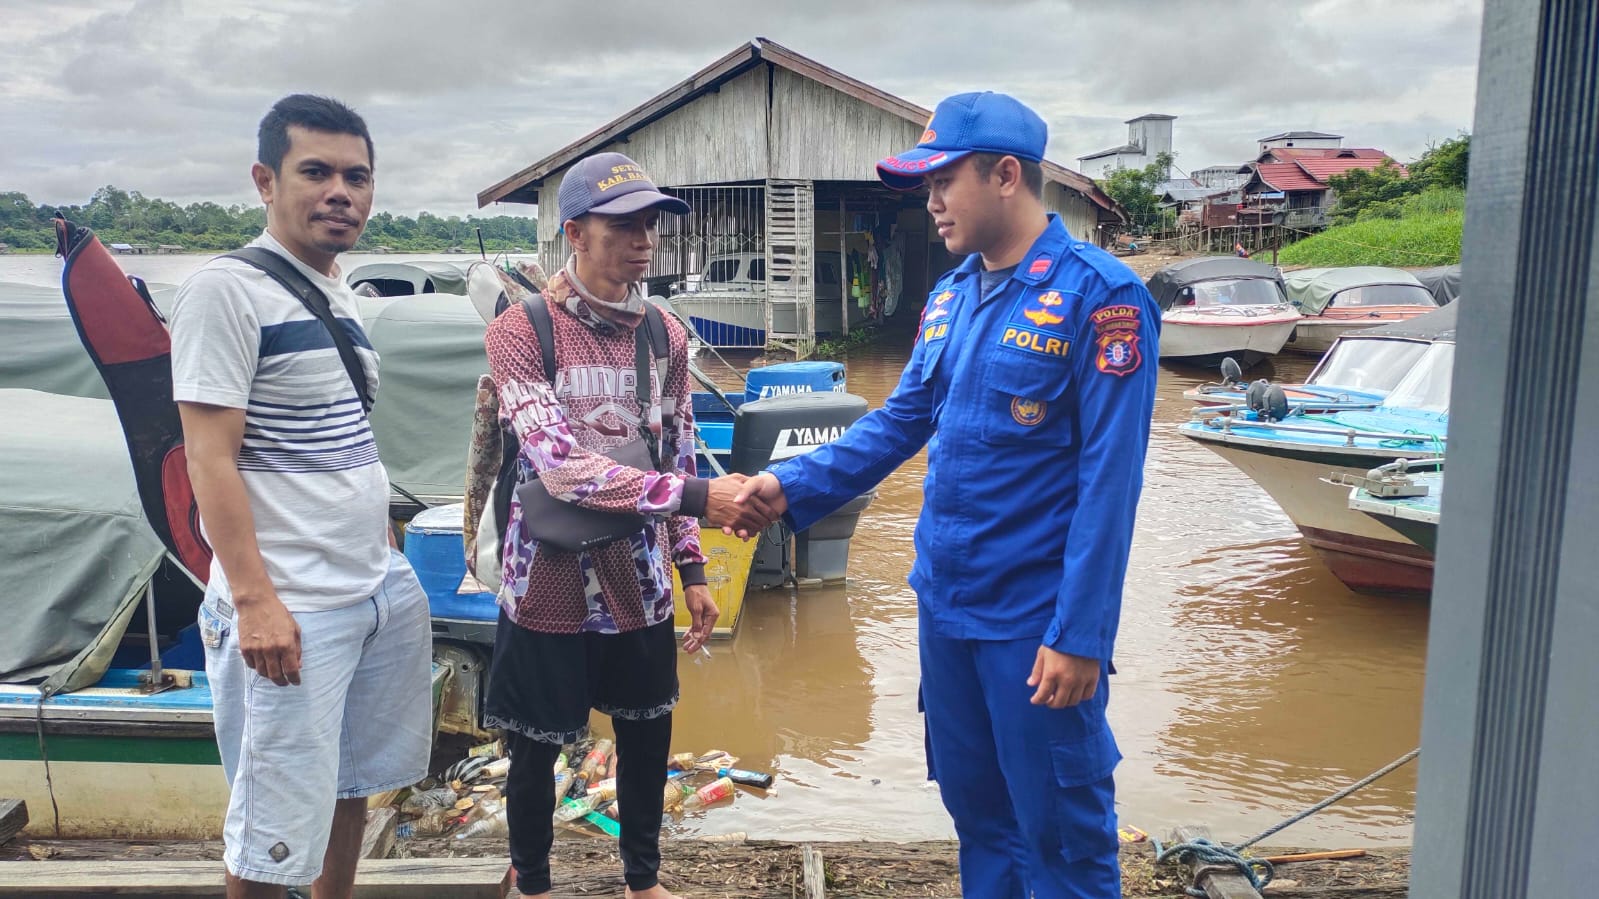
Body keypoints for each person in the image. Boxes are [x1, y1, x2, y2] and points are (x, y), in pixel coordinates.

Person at [733, 92, 1160, 898]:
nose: (928, 203)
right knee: (979, 815)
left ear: (1005, 175)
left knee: (1060, 832)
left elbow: (1111, 481)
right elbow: (898, 422)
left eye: (943, 182)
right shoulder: (950, 297)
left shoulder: (1099, 298)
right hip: (948, 607)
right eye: (922, 187)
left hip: (1033, 622)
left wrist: (1081, 635)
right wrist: (783, 485)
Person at [479, 151, 769, 899]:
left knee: (646, 732)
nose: (641, 242)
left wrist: (693, 569)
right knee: (535, 744)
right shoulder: (522, 331)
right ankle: (534, 882)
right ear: (574, 232)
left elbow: (670, 444)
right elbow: (558, 464)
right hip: (542, 573)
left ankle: (642, 881)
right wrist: (703, 499)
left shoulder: (664, 335)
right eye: (621, 227)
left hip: (636, 576)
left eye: (649, 226)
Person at [171, 94, 433, 899]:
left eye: (356, 176)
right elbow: (207, 457)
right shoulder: (226, 291)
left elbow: (336, 439)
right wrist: (252, 599)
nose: (339, 192)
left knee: (351, 783)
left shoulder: (338, 291)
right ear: (264, 180)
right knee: (272, 827)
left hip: (368, 583)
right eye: (315, 172)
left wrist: (380, 537)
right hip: (291, 597)